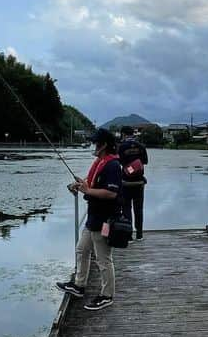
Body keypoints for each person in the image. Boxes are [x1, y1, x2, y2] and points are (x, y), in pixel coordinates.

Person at [56, 128, 122, 311]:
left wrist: (87, 191)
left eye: (96, 143)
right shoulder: (100, 163)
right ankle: (79, 285)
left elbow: (111, 192)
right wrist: (78, 186)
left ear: (104, 145)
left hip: (105, 220)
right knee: (81, 249)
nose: (94, 146)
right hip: (93, 218)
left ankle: (107, 295)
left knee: (103, 259)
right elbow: (91, 183)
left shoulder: (113, 166)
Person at [117, 125, 149, 240]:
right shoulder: (141, 146)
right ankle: (139, 235)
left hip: (125, 182)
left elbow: (119, 162)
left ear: (124, 134)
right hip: (139, 183)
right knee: (139, 209)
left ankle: (128, 236)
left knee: (126, 209)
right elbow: (145, 161)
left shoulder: (121, 147)